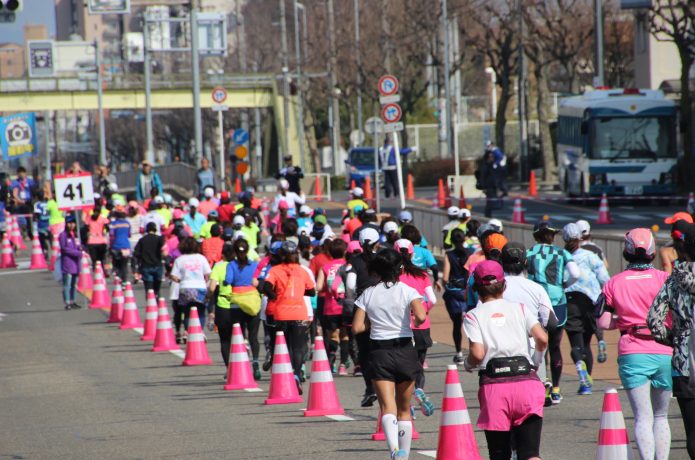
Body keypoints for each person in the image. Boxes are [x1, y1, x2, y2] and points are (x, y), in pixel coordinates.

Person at [594, 228, 674, 460]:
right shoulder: (664, 279)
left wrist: (625, 320)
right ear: (651, 252)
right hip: (664, 349)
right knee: (661, 416)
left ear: (626, 252)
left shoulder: (614, 283)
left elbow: (603, 321)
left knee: (643, 417)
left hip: (633, 349)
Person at [463, 260, 548, 460]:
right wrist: (535, 360)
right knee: (530, 453)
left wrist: (468, 364)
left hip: (494, 386)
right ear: (504, 285)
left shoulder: (473, 316)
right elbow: (542, 338)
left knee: (499, 453)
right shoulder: (520, 308)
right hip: (526, 382)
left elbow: (477, 353)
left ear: (476, 288)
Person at [352, 248, 427, 460]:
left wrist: (372, 322)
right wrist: (411, 320)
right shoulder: (407, 290)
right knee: (404, 409)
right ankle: (405, 455)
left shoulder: (368, 293)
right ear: (400, 269)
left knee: (387, 407)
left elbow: (357, 327)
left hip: (379, 351)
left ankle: (394, 451)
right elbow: (421, 316)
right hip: (405, 350)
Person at [648, 220, 695, 458]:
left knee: (692, 432)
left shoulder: (673, 280)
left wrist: (673, 339)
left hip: (683, 363)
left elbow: (654, 321)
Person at [526, 220, 579, 405]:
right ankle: (556, 389)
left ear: (535, 235)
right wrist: (563, 285)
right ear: (552, 236)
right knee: (555, 346)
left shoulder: (529, 253)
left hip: (535, 303)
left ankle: (542, 384)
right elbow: (575, 273)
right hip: (557, 302)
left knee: (539, 345)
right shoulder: (562, 252)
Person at [261, 240, 316, 394]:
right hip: (299, 312)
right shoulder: (302, 270)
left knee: (285, 346)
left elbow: (265, 287)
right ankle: (297, 375)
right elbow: (312, 291)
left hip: (281, 313)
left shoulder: (275, 270)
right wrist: (299, 292)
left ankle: (285, 375)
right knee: (298, 347)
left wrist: (275, 297)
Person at [562, 223, 609, 395]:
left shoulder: (562, 256)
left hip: (569, 301)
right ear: (580, 237)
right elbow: (604, 278)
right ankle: (587, 384)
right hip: (591, 301)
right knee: (588, 342)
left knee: (576, 342)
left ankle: (581, 372)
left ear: (564, 238)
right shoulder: (590, 256)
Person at [394, 238, 436, 417]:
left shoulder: (394, 276)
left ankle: (407, 403)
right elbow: (432, 299)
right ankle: (419, 389)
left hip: (401, 326)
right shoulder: (422, 274)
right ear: (412, 253)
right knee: (418, 363)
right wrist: (423, 311)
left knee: (401, 367)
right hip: (421, 324)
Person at [346, 227, 381, 407]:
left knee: (365, 351)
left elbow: (350, 285)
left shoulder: (355, 261)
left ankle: (370, 388)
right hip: (383, 308)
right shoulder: (383, 258)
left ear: (359, 243)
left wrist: (356, 298)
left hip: (362, 308)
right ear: (377, 242)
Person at [574, 219, 609, 363]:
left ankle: (582, 351)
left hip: (579, 294)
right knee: (596, 320)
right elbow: (605, 267)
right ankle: (601, 340)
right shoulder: (597, 249)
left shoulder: (575, 251)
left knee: (583, 327)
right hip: (595, 293)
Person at [316, 239, 350, 374]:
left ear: (330, 252)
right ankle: (343, 365)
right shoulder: (348, 265)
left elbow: (318, 287)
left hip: (330, 306)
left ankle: (331, 359)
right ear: (345, 251)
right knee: (345, 336)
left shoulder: (325, 267)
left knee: (333, 336)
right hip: (346, 305)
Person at [170, 237, 211, 341]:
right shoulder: (201, 258)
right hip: (199, 287)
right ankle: (200, 331)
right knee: (201, 311)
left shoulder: (179, 259)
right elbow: (208, 273)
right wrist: (205, 281)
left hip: (185, 287)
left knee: (187, 312)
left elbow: (173, 275)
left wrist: (180, 280)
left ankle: (188, 331)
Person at [442, 228, 472, 364]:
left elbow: (445, 277)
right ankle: (474, 352)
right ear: (464, 238)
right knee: (473, 324)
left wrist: (446, 288)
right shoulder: (470, 253)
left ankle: (459, 353)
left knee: (456, 324)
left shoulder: (449, 255)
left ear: (452, 241)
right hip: (467, 291)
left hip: (454, 293)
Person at [134, 222, 166, 298]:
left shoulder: (142, 240)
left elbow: (136, 253)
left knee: (149, 289)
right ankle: (157, 302)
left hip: (146, 266)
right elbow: (164, 251)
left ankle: (150, 303)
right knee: (157, 289)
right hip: (158, 265)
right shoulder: (159, 239)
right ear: (155, 229)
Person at [59, 214, 83, 310]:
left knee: (74, 284)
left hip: (76, 263)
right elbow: (64, 248)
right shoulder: (63, 235)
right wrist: (77, 253)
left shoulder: (75, 235)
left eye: (73, 223)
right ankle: (67, 302)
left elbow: (79, 245)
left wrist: (81, 249)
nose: (71, 225)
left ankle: (73, 301)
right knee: (67, 284)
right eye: (69, 223)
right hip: (68, 262)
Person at [10, 166, 36, 239]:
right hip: (19, 202)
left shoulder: (30, 181)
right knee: (21, 219)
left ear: (25, 173)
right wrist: (19, 201)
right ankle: (23, 234)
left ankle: (31, 233)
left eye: (23, 173)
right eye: (19, 173)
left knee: (30, 218)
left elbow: (33, 191)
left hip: (28, 202)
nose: (21, 174)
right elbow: (14, 193)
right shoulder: (15, 182)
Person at [86, 201, 110, 271]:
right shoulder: (102, 219)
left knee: (94, 260)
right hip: (101, 241)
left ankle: (96, 273)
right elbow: (107, 228)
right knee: (102, 259)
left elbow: (86, 228)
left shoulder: (89, 218)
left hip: (91, 241)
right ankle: (103, 272)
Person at [109, 206, 131, 282]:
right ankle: (124, 282)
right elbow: (129, 234)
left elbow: (111, 236)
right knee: (124, 265)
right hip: (126, 246)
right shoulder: (127, 223)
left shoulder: (113, 224)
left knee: (116, 265)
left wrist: (110, 246)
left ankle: (118, 280)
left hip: (116, 246)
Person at [476, 150, 498, 218]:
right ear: (487, 157)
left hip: (493, 186)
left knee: (492, 202)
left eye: (492, 156)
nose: (492, 157)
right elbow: (482, 176)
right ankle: (488, 216)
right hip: (488, 186)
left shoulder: (492, 165)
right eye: (490, 156)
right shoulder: (485, 166)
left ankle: (488, 215)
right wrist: (483, 187)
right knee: (489, 202)